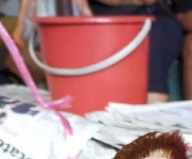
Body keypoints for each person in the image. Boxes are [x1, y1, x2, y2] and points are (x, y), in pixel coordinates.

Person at [11, 0, 183, 103]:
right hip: (84, 23)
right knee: (23, 59)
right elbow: (24, 38)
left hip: (145, 23)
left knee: (157, 40)